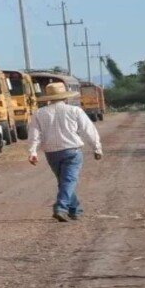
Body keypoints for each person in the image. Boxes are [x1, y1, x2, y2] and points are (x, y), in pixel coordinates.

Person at [28, 82, 103, 222]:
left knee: (65, 182)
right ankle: (61, 208)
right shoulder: (74, 111)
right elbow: (88, 130)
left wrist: (33, 152)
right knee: (69, 180)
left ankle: (75, 210)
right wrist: (96, 148)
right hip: (72, 151)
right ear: (65, 97)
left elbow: (35, 134)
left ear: (49, 98)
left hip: (52, 153)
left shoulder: (39, 113)